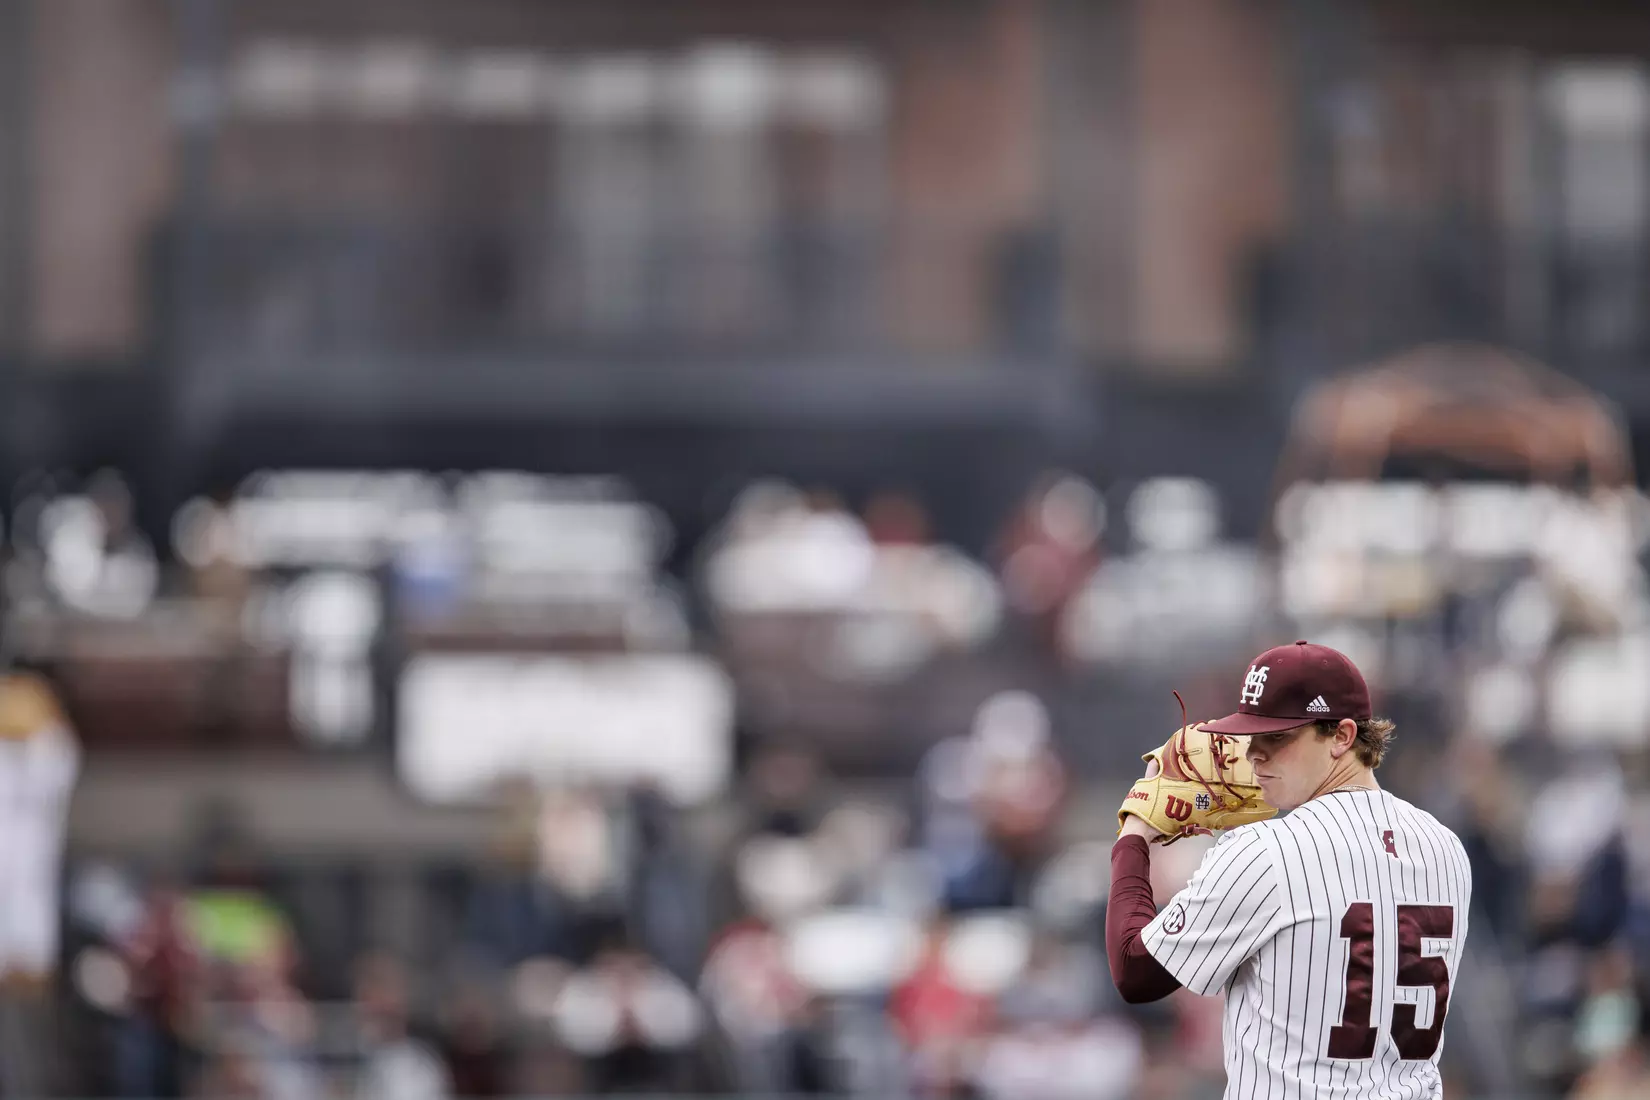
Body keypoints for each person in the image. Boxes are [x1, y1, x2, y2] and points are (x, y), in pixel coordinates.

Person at [1106, 641, 1471, 1099]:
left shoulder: (1265, 851)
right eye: (1251, 736)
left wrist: (1134, 838)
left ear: (1341, 736)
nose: (1255, 755)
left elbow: (1134, 971)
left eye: (1278, 737)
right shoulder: (1445, 847)